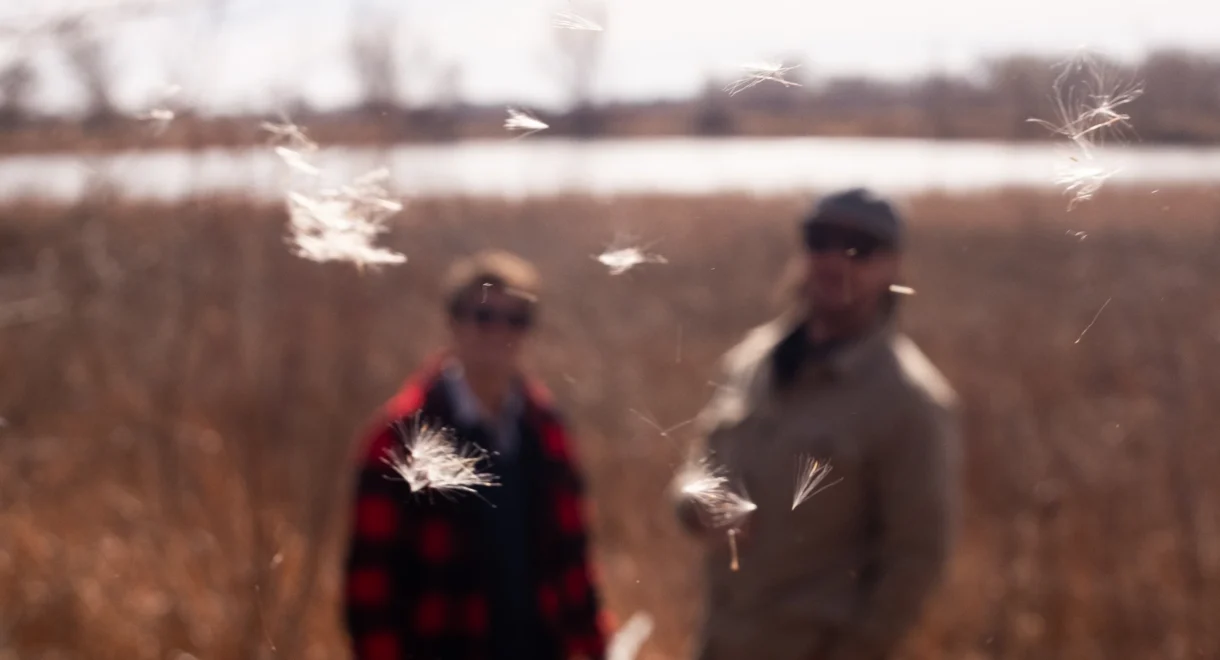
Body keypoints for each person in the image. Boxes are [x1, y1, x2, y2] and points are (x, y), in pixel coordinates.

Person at [673, 188, 962, 660]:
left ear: (892, 266)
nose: (834, 259)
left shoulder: (910, 402)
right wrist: (697, 500)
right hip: (717, 643)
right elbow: (695, 467)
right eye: (820, 239)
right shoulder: (752, 361)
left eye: (860, 247)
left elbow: (917, 560)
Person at [343, 249, 607, 660]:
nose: (498, 331)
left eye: (516, 318)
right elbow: (369, 586)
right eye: (484, 316)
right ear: (454, 323)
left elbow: (572, 561)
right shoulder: (400, 437)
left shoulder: (545, 429)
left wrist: (594, 647)